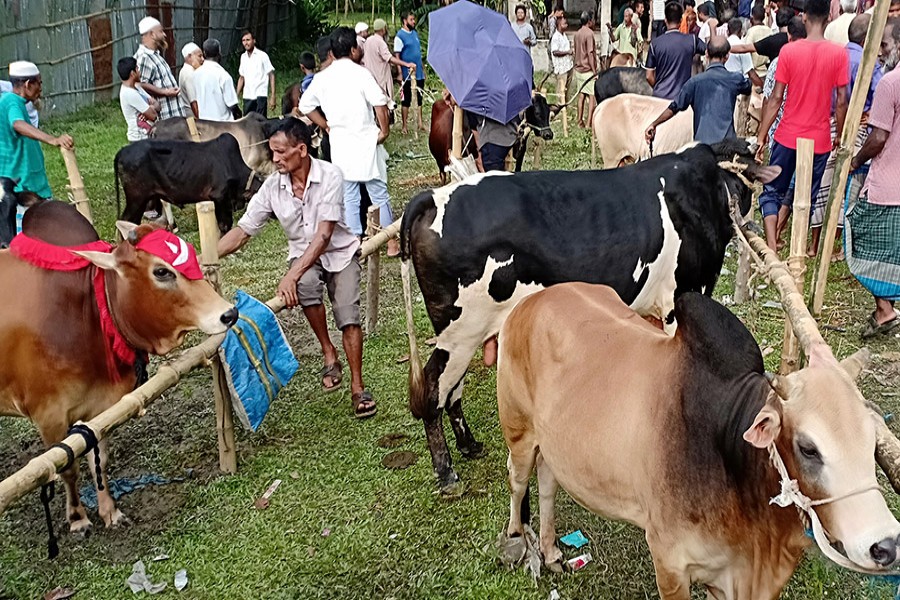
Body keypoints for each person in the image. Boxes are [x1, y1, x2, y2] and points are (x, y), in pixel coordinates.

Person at [217, 119, 377, 418]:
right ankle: (328, 351)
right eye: (272, 152)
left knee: (348, 315)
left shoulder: (330, 175)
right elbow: (243, 231)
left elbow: (325, 235)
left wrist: (291, 273)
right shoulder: (271, 187)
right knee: (304, 288)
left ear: (302, 149)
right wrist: (205, 257)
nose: (275, 158)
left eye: (281, 152)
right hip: (303, 255)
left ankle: (358, 387)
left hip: (340, 253)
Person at [757, 0, 849, 251]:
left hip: (787, 135)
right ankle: (796, 251)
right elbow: (842, 101)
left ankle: (772, 245)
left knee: (770, 192)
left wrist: (762, 136)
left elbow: (776, 98)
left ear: (805, 17)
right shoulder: (839, 54)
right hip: (819, 139)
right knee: (804, 196)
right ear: (828, 19)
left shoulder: (789, 52)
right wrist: (839, 135)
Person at [299, 27, 399, 257]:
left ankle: (356, 243)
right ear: (354, 49)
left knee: (350, 196)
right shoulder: (361, 74)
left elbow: (305, 106)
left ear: (332, 51)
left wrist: (324, 124)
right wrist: (384, 131)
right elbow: (379, 104)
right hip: (365, 140)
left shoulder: (322, 78)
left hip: (340, 143)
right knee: (378, 193)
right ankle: (391, 243)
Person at [809, 13, 883, 256]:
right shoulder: (869, 62)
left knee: (824, 183)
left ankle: (813, 244)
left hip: (828, 123)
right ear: (867, 38)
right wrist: (869, 114)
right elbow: (880, 97)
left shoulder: (834, 56)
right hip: (855, 127)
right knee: (848, 185)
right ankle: (836, 247)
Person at [846, 17, 900, 337]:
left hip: (887, 185)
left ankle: (885, 309)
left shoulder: (890, 83)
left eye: (884, 44)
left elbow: (879, 138)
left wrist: (855, 161)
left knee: (860, 237)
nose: (880, 52)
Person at [645, 36, 752, 143]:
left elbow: (674, 107)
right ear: (727, 56)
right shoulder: (735, 79)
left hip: (702, 148)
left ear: (706, 54)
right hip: (727, 147)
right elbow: (748, 86)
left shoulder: (694, 82)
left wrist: (654, 124)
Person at [0, 61, 73, 202]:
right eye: (39, 83)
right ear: (28, 85)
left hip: (21, 179)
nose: (40, 89)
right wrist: (53, 139)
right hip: (19, 184)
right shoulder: (11, 101)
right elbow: (17, 123)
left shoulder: (15, 102)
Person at [645, 2, 707, 100]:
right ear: (681, 20)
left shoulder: (655, 44)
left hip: (659, 100)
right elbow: (710, 50)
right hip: (682, 100)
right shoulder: (692, 40)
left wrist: (659, 88)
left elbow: (649, 76)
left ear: (665, 20)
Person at [134, 16, 183, 121]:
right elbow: (139, 85)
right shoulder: (144, 57)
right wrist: (165, 92)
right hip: (165, 119)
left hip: (173, 115)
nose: (164, 34)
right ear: (152, 34)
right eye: (161, 31)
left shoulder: (155, 55)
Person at [363, 19, 416, 111]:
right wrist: (406, 64)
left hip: (370, 78)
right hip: (381, 79)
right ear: (383, 29)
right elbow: (389, 58)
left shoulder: (368, 40)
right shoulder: (380, 42)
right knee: (384, 105)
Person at [394, 11, 426, 135]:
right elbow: (397, 55)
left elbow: (418, 54)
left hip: (418, 72)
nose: (414, 22)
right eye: (411, 19)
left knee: (419, 98)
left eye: (414, 19)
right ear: (405, 21)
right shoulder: (399, 36)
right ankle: (404, 125)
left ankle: (420, 123)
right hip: (406, 73)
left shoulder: (415, 34)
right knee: (405, 99)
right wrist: (399, 72)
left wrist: (422, 69)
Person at [193, 38, 241, 122]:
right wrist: (240, 115)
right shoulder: (223, 75)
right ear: (219, 53)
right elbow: (232, 105)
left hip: (204, 125)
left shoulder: (195, 74)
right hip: (222, 126)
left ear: (204, 53)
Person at [117, 57, 160, 142]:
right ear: (133, 73)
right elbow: (154, 116)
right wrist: (151, 108)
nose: (139, 72)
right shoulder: (129, 93)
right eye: (137, 68)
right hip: (139, 139)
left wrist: (151, 108)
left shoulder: (136, 87)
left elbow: (158, 105)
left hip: (146, 136)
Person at [237, 31, 275, 117]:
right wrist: (236, 95)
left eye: (248, 40)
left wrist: (273, 96)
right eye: (243, 40)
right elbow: (242, 77)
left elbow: (271, 75)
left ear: (254, 41)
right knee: (247, 122)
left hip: (260, 95)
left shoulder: (262, 56)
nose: (246, 43)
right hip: (247, 95)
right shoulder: (243, 57)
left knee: (260, 122)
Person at [574, 12, 598, 128]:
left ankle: (579, 121)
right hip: (587, 69)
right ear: (589, 21)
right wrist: (594, 71)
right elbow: (590, 53)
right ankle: (588, 123)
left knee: (581, 95)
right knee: (592, 97)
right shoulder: (589, 34)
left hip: (578, 69)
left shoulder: (577, 34)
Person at [725, 19, 764, 86]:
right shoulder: (742, 47)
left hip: (724, 84)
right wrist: (763, 86)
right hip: (738, 86)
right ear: (741, 31)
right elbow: (751, 74)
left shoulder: (722, 45)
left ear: (727, 31)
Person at [551, 14, 574, 106]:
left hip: (568, 66)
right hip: (561, 69)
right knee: (561, 90)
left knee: (567, 89)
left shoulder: (564, 35)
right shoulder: (556, 37)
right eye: (564, 24)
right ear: (559, 25)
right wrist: (567, 52)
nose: (566, 25)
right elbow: (555, 52)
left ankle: (566, 107)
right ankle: (560, 109)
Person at [746, 3, 773, 78]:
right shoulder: (769, 30)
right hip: (767, 71)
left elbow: (746, 50)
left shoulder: (751, 31)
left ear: (752, 17)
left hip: (755, 73)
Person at [178, 42, 202, 119]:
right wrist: (201, 120)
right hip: (192, 116)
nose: (202, 59)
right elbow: (193, 102)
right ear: (189, 56)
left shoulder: (186, 70)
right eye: (199, 56)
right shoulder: (189, 73)